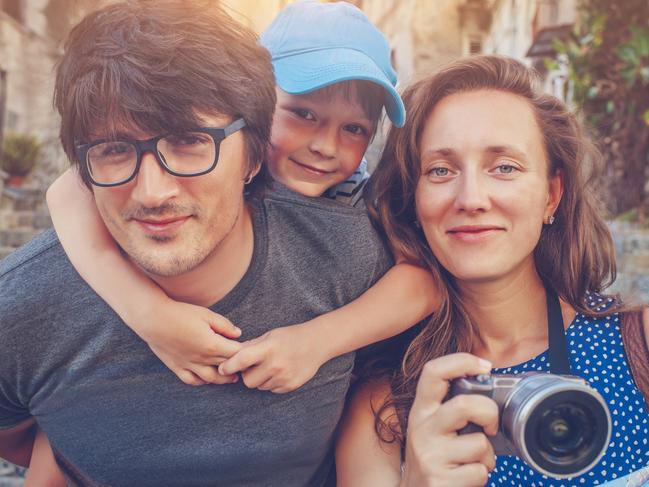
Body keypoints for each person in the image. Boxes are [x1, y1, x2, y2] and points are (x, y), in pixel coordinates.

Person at [0, 1, 398, 485]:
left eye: (190, 142)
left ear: (252, 152)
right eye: (113, 151)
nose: (152, 193)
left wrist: (320, 340)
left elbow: (428, 287)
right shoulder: (24, 303)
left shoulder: (350, 243)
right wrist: (66, 441)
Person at [335, 55, 649, 487]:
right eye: (441, 170)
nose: (471, 198)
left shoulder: (639, 349)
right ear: (415, 201)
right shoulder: (384, 406)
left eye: (504, 167)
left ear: (551, 196)